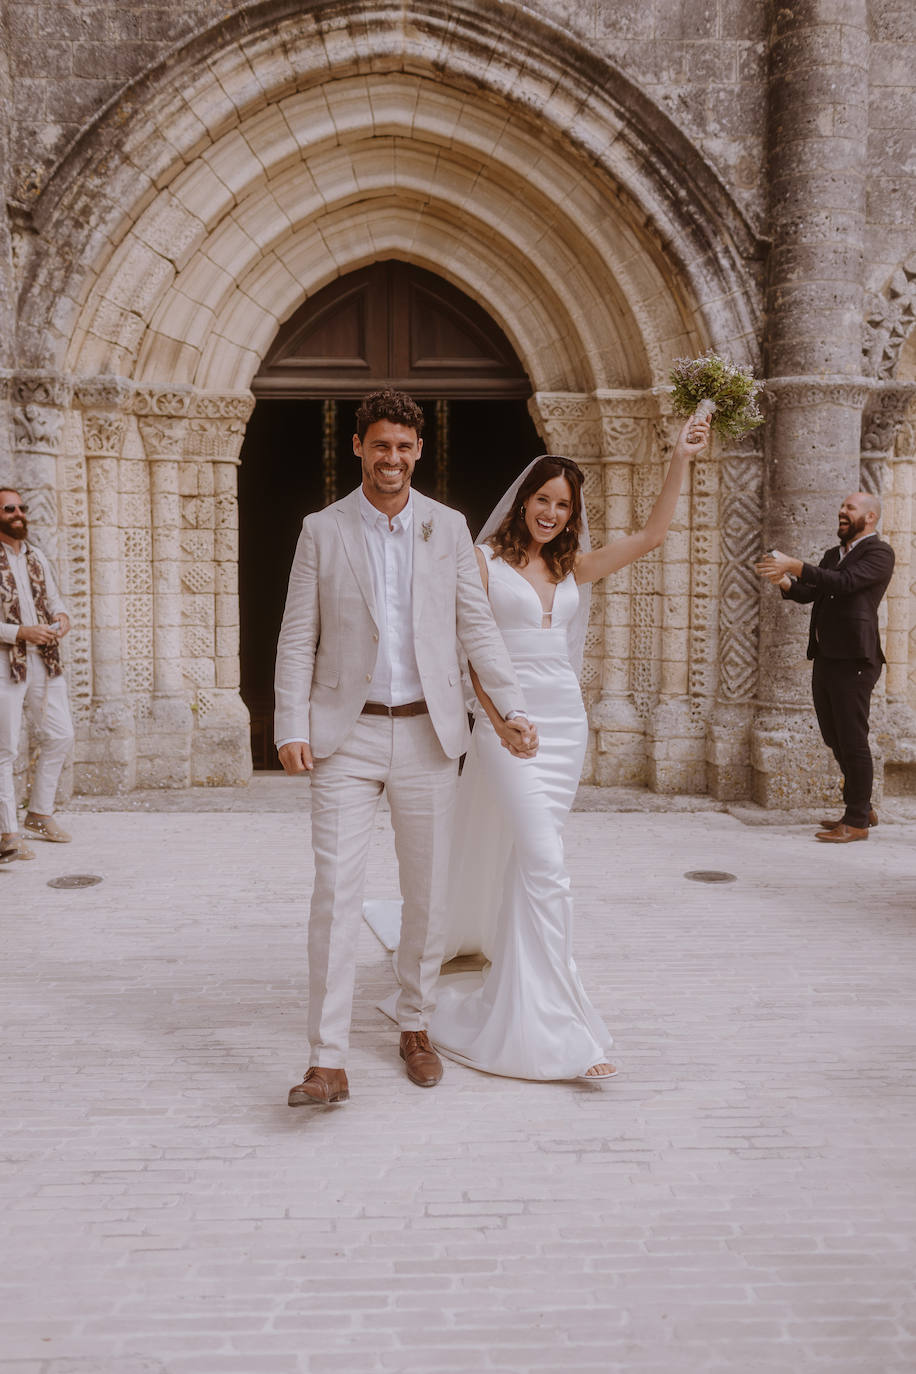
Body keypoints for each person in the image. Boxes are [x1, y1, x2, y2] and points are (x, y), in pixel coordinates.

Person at [386, 411, 710, 1085]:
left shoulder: (572, 569)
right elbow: (466, 645)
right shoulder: (478, 561)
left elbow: (653, 535)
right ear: (523, 500)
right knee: (546, 862)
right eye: (544, 500)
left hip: (566, 725)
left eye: (564, 506)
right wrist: (497, 717)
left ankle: (522, 994)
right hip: (510, 726)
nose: (553, 514)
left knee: (532, 865)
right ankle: (562, 1023)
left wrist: (681, 457)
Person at [275, 389, 537, 1107]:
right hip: (346, 735)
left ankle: (416, 1023)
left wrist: (510, 705)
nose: (392, 458)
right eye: (380, 445)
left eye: (404, 447)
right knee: (335, 892)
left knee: (428, 890)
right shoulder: (321, 530)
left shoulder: (447, 528)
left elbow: (476, 625)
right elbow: (299, 633)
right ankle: (326, 1059)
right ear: (357, 446)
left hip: (429, 732)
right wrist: (290, 725)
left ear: (419, 452)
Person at [755, 492, 895, 843]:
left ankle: (857, 821)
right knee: (834, 737)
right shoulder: (834, 555)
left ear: (871, 517)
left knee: (853, 739)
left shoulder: (879, 553)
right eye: (842, 508)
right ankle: (861, 806)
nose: (842, 512)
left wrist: (795, 564)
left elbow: (844, 584)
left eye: (850, 508)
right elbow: (808, 592)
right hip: (827, 656)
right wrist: (783, 579)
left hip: (855, 659)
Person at [0, 486, 74, 861]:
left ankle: (40, 814)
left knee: (61, 735)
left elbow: (56, 601)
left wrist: (60, 620)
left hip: (44, 658)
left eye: (21, 507)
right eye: (9, 508)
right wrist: (20, 632)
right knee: (5, 748)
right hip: (5, 662)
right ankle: (6, 833)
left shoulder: (37, 557)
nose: (18, 513)